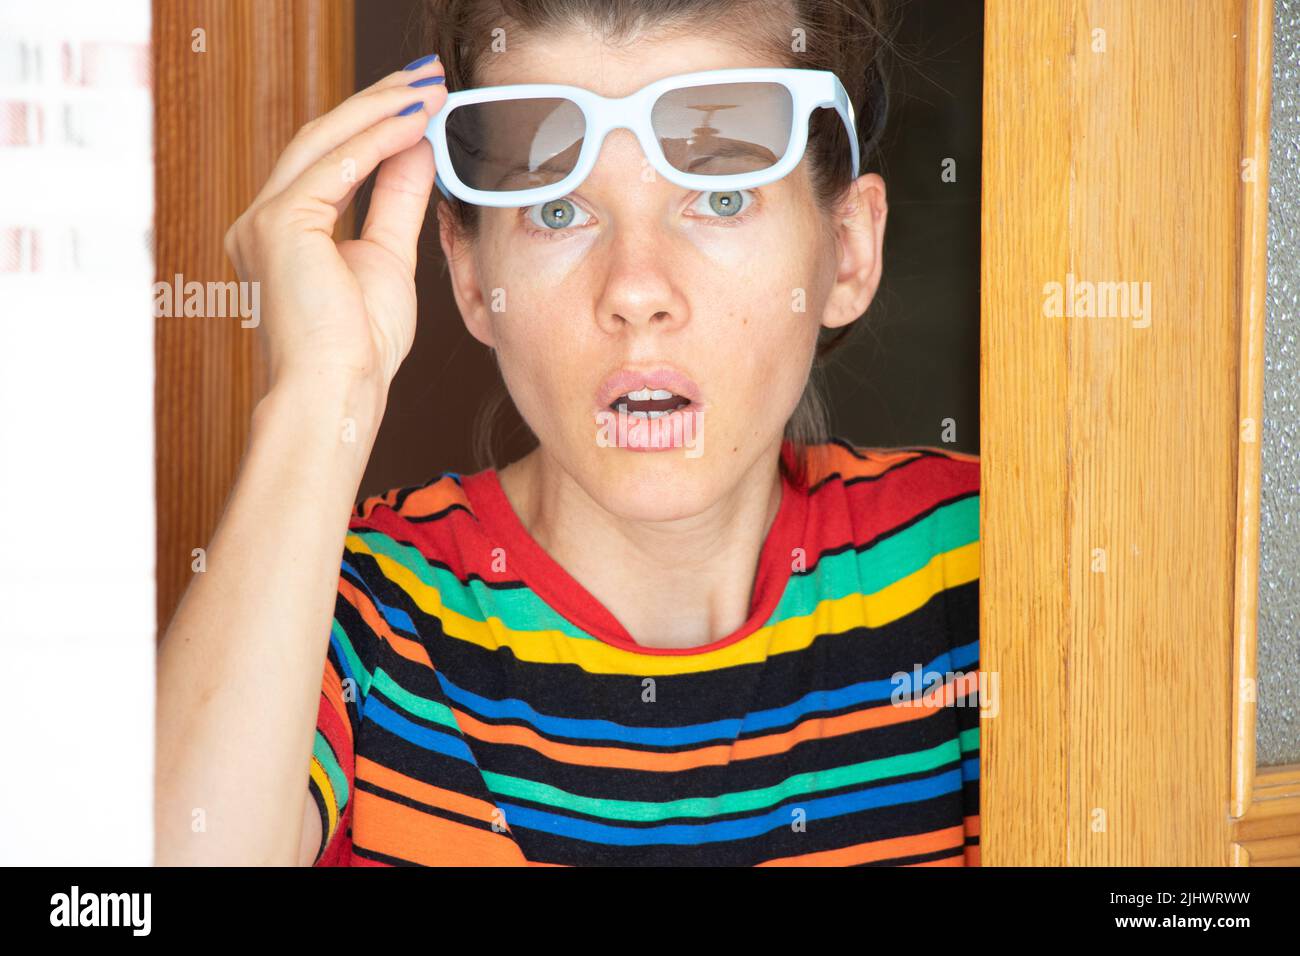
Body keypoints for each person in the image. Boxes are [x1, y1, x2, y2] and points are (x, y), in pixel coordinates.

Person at [155, 0, 980, 866]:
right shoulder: (349, 613)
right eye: (557, 211)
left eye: (721, 195)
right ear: (471, 276)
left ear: (846, 250)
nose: (634, 289)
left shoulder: (977, 565)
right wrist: (322, 389)